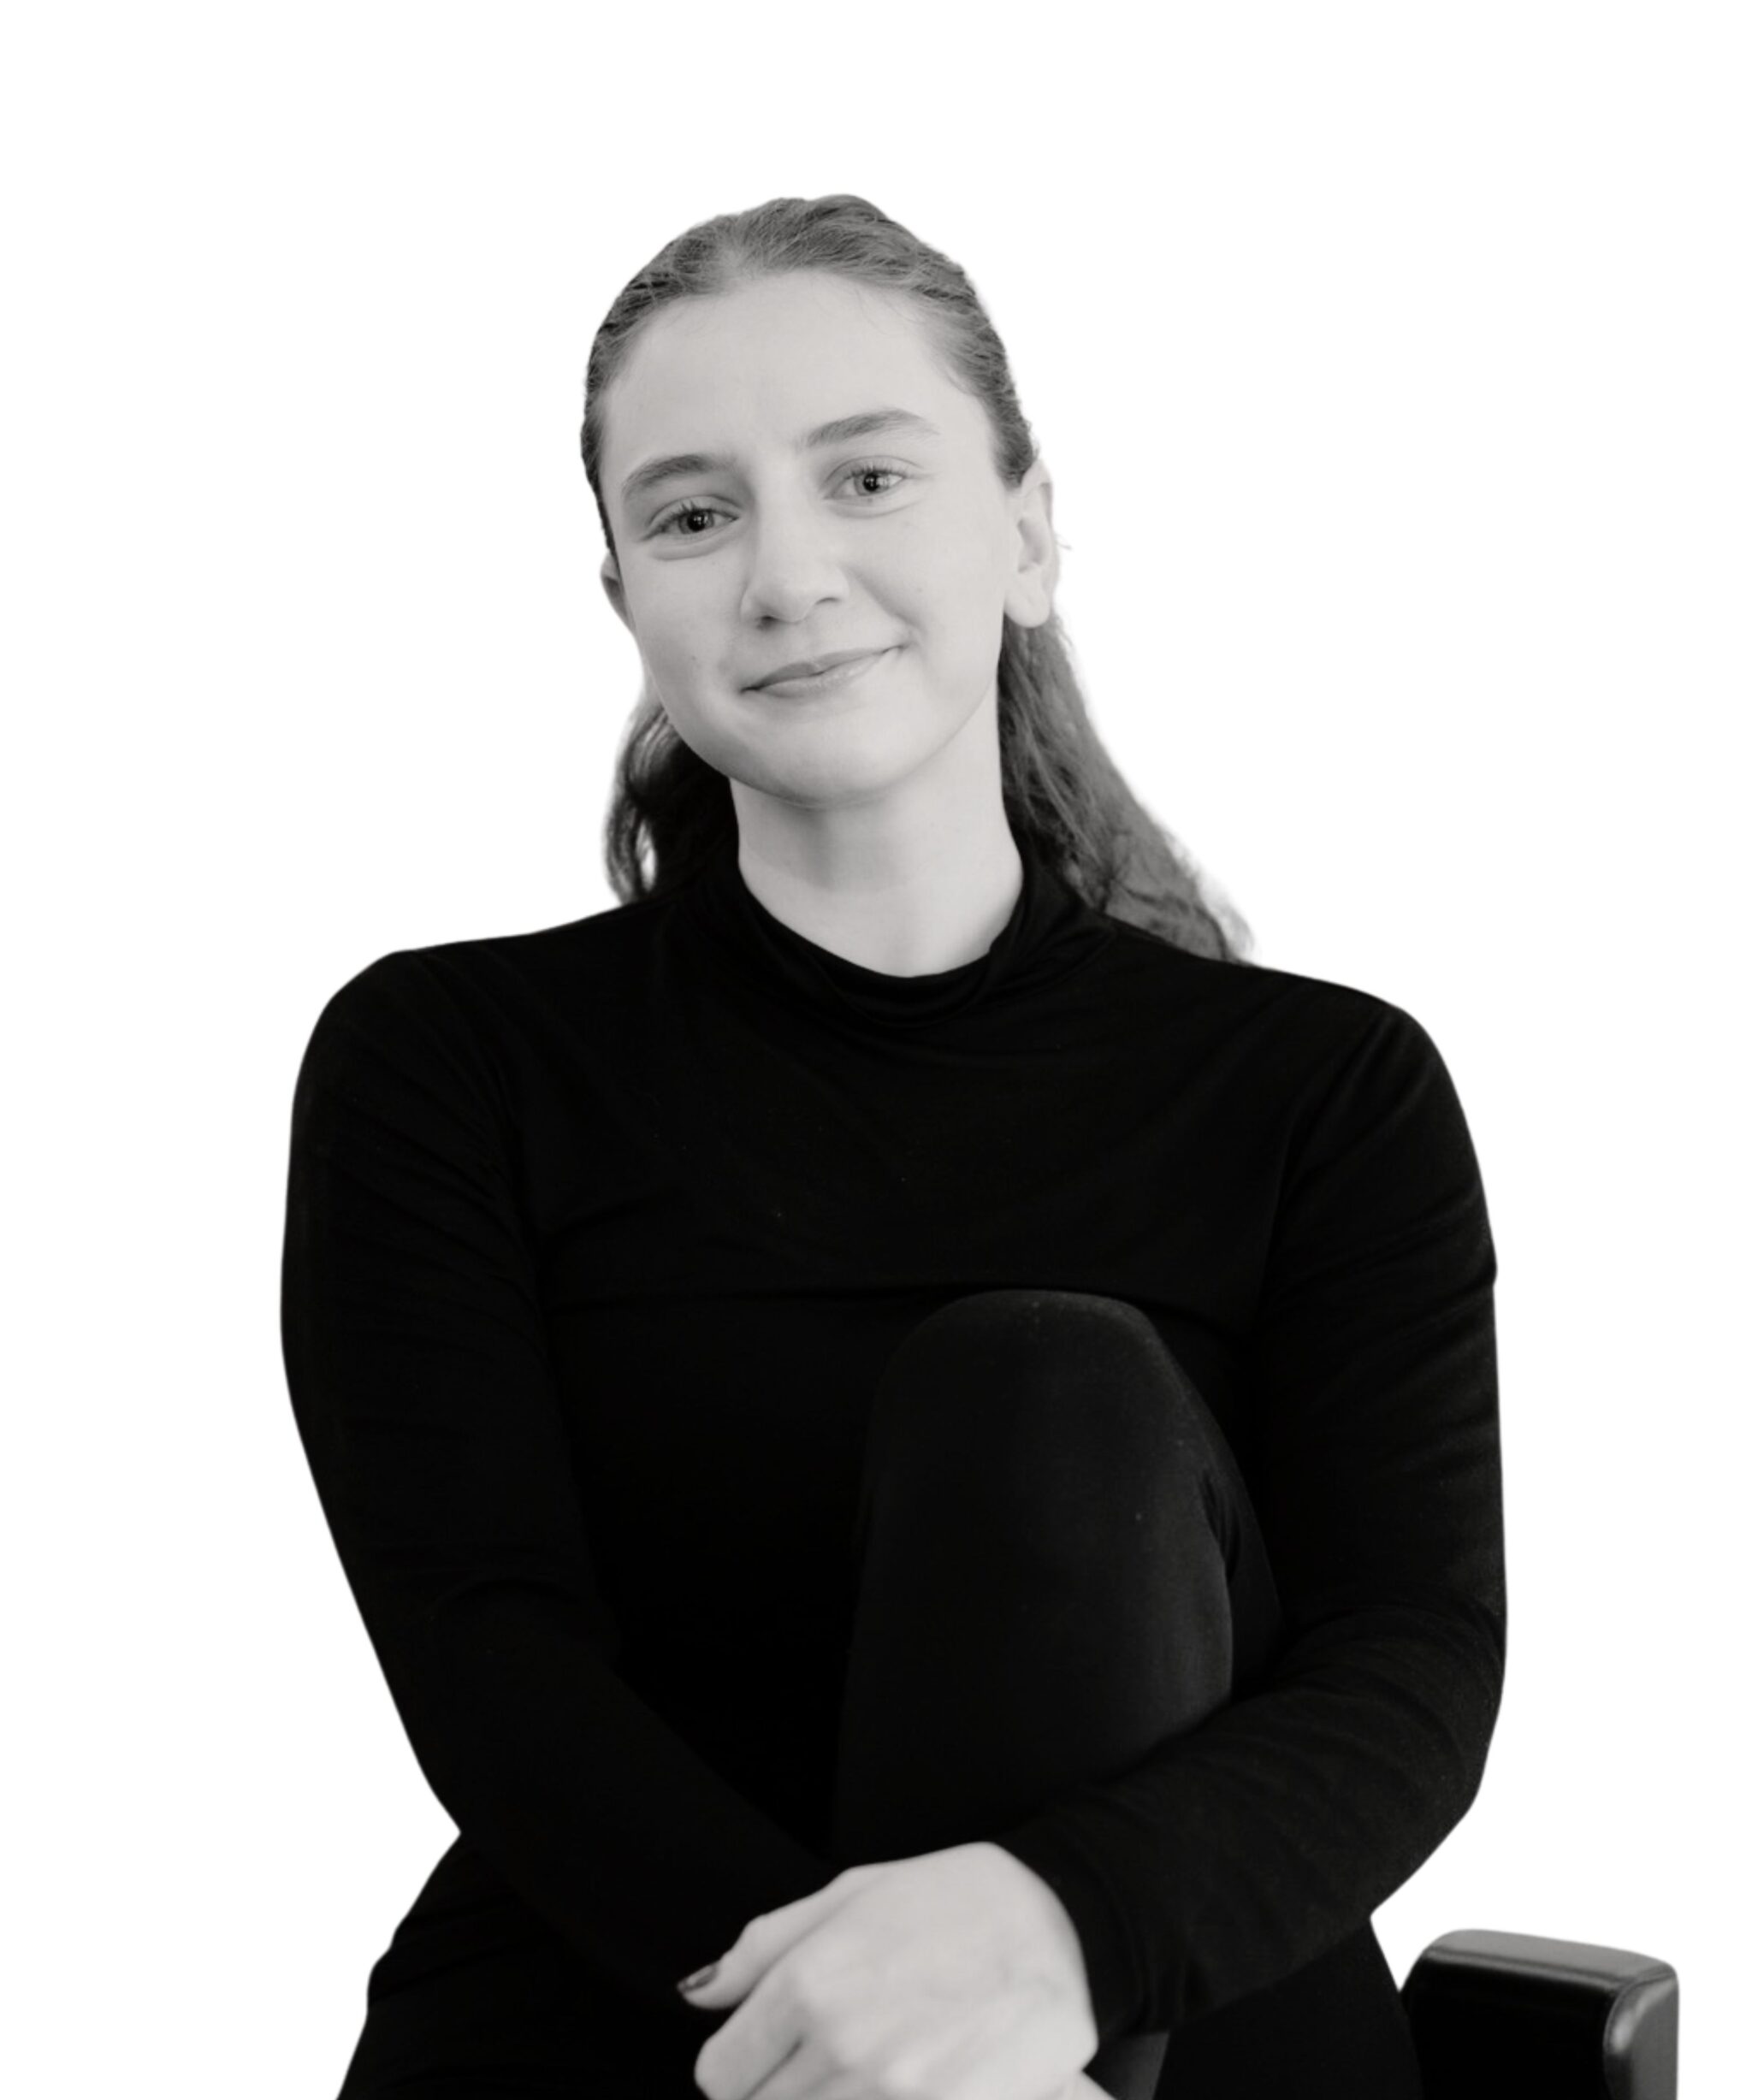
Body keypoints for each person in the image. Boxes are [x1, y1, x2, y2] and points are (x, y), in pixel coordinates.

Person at [280, 192, 1506, 2100]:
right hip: (650, 2011)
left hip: (1172, 2008)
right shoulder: (445, 1065)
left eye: (865, 477)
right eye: (694, 515)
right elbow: (491, 1664)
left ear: (1026, 535)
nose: (785, 573)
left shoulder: (1324, 1088)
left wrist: (1056, 1942)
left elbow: (1408, 1665)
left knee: (1047, 1388)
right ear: (624, 597)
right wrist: (867, 2040)